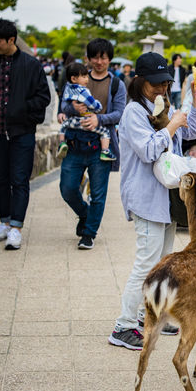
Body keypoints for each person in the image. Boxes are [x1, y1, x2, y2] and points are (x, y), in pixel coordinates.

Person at [109, 52, 196, 350]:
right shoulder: (134, 112)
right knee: (147, 263)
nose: (161, 88)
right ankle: (123, 326)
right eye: (155, 83)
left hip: (165, 199)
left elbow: (193, 131)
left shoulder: (161, 105)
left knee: (161, 263)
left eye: (165, 82)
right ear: (140, 81)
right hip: (145, 197)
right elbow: (149, 150)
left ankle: (145, 316)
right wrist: (172, 126)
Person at [0, 19, 50, 250]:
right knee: (1, 180)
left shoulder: (31, 65)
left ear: (11, 40)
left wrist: (20, 110)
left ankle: (16, 228)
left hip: (22, 132)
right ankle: (4, 222)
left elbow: (42, 98)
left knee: (20, 180)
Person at [58, 38, 126, 249]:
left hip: (101, 145)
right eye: (94, 57)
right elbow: (63, 106)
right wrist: (72, 110)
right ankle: (85, 215)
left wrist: (99, 119)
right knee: (67, 189)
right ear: (88, 58)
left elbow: (120, 113)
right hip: (75, 143)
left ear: (109, 59)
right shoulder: (75, 79)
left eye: (103, 57)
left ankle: (89, 233)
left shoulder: (116, 84)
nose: (98, 61)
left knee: (98, 194)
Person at [56, 62, 117, 162]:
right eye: (84, 77)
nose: (87, 80)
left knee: (63, 128)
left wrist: (70, 109)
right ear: (74, 78)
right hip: (85, 121)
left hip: (71, 121)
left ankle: (62, 143)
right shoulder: (83, 90)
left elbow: (63, 106)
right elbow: (93, 104)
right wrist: (98, 106)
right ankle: (105, 151)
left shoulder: (67, 88)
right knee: (105, 132)